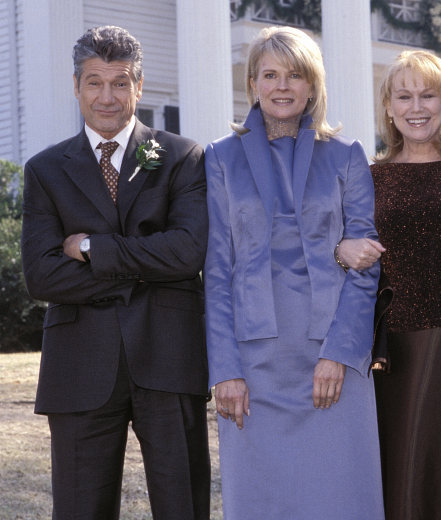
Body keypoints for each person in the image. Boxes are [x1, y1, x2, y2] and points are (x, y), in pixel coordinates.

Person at [21, 26, 210, 520]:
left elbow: (188, 252)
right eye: (95, 83)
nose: (107, 97)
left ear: (139, 87)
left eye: (120, 83)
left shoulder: (182, 156)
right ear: (77, 87)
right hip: (79, 364)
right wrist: (147, 267)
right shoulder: (45, 169)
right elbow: (42, 277)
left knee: (182, 506)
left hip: (168, 355)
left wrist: (90, 248)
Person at [204, 26, 384, 519]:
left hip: (333, 360)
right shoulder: (219, 158)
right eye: (270, 75)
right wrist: (225, 370)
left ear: (312, 86)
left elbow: (367, 266)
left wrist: (340, 353)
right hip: (253, 366)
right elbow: (218, 269)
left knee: (341, 497)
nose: (282, 86)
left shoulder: (346, 156)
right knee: (262, 501)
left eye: (295, 75)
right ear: (253, 85)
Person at [338, 50, 441, 519]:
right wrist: (340, 250)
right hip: (391, 348)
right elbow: (333, 239)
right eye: (404, 96)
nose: (416, 106)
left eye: (428, 95)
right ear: (388, 106)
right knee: (401, 466)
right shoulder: (366, 175)